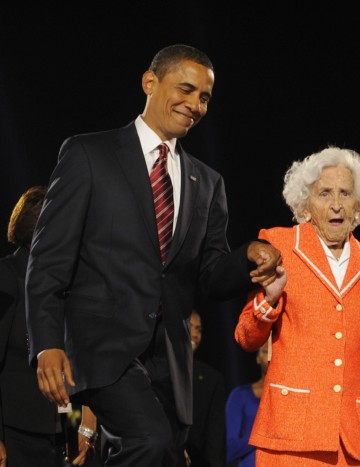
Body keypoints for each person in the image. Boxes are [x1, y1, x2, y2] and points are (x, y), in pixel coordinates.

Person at [25, 44, 282, 467]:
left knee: (162, 452)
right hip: (103, 348)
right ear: (150, 82)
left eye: (204, 97)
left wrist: (248, 256)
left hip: (171, 359)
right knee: (149, 440)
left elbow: (212, 274)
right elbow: (48, 261)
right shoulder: (88, 155)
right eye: (186, 89)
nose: (195, 104)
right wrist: (47, 344)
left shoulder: (208, 182)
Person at [234, 146, 360, 466]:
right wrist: (269, 299)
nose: (336, 204)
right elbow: (246, 337)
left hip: (351, 440)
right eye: (324, 193)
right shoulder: (279, 245)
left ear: (358, 206)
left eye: (345, 193)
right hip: (291, 438)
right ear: (305, 206)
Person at [0, 186, 98, 467]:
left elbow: (69, 371)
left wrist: (81, 425)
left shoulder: (69, 286)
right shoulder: (6, 277)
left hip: (62, 431)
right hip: (15, 434)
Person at [186, 310, 225, 467]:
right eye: (190, 327)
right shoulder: (156, 371)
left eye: (199, 329)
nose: (195, 334)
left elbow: (214, 437)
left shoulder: (212, 379)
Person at [225, 337, 269, 467]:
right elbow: (230, 447)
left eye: (275, 352)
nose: (271, 357)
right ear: (258, 358)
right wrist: (261, 435)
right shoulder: (240, 395)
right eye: (266, 351)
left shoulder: (292, 398)